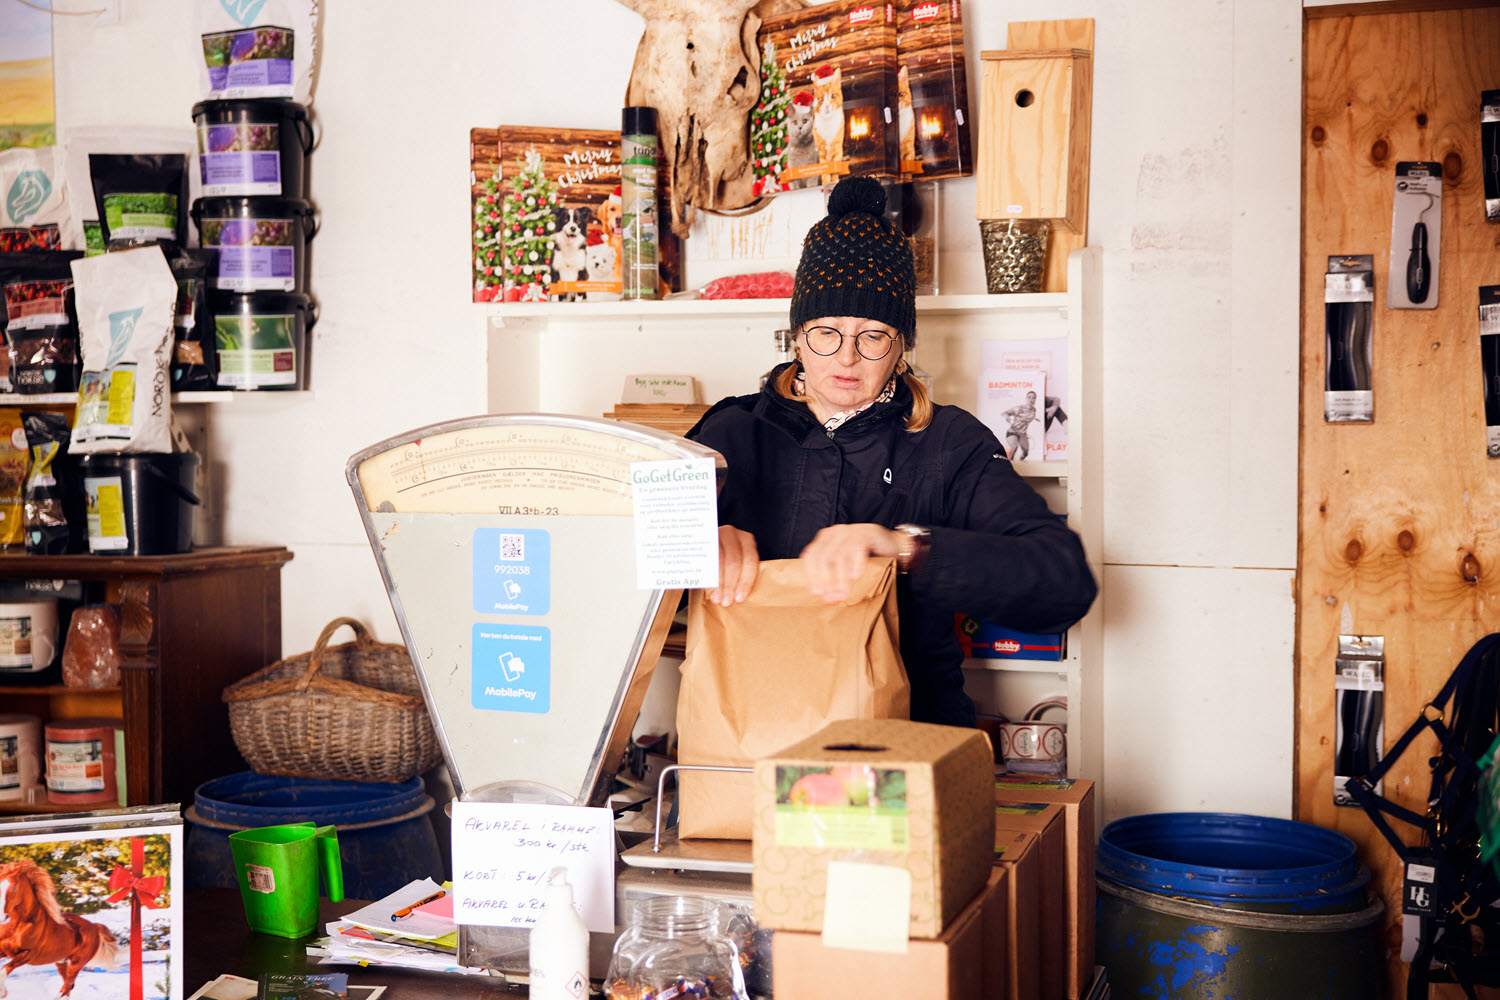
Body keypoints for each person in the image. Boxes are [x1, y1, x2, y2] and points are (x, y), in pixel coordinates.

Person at [686, 176, 1097, 727]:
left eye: (874, 334)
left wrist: (907, 548)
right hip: (747, 737)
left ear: (902, 345)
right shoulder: (729, 435)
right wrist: (689, 545)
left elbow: (1063, 582)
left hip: (906, 748)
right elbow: (616, 581)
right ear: (796, 336)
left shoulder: (950, 443)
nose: (847, 358)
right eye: (826, 331)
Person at [1002, 389, 1039, 460]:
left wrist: (1036, 419)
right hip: (1012, 432)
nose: (1031, 399)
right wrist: (1007, 417)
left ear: (1035, 400)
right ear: (1026, 398)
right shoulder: (1019, 408)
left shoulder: (1034, 410)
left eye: (1033, 398)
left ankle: (1020, 464)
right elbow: (1005, 413)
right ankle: (1009, 465)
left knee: (1025, 453)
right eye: (1029, 397)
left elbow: (1027, 417)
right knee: (1014, 447)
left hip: (1022, 434)